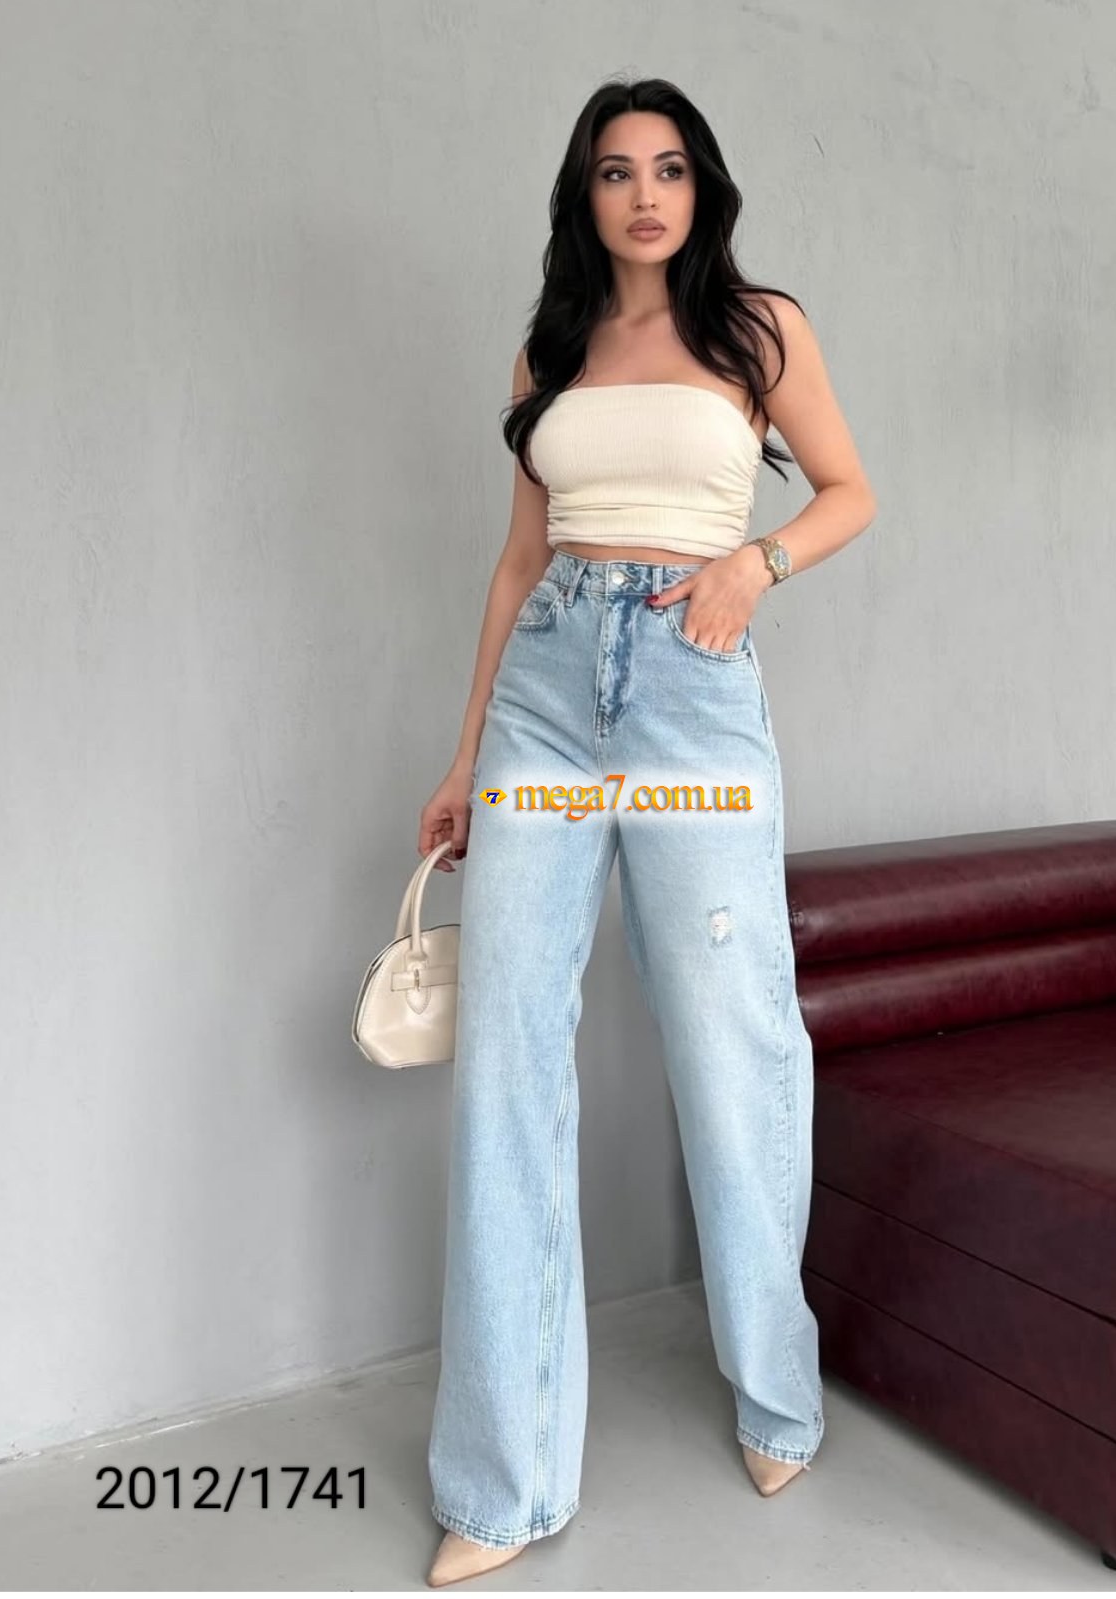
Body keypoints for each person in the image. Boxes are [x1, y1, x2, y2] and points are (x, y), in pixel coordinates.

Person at [418, 76, 876, 1589]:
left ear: (702, 187)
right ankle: (501, 1483)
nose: (645, 195)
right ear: (587, 196)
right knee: (505, 1060)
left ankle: (777, 1394)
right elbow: (515, 562)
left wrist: (756, 565)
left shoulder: (759, 330)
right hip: (546, 706)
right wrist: (466, 755)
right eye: (617, 172)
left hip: (689, 694)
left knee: (733, 1044)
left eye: (670, 169)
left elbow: (851, 492)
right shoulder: (549, 350)